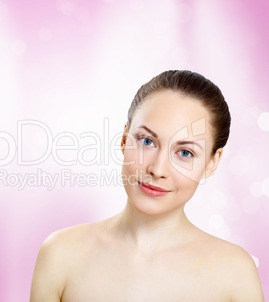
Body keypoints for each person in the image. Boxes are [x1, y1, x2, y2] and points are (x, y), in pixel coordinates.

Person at [29, 70, 265, 301]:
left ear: (212, 163)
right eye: (147, 141)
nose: (157, 169)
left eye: (185, 152)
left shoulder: (235, 274)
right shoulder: (60, 254)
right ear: (124, 140)